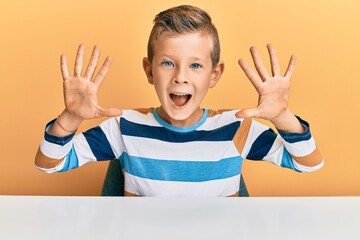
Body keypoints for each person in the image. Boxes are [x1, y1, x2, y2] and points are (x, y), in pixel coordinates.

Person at [35, 5, 323, 197]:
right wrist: (70, 117)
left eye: (196, 66)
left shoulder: (237, 128)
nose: (181, 77)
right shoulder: (124, 128)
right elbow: (49, 164)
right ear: (149, 71)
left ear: (214, 74)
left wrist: (282, 116)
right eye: (168, 64)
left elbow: (308, 164)